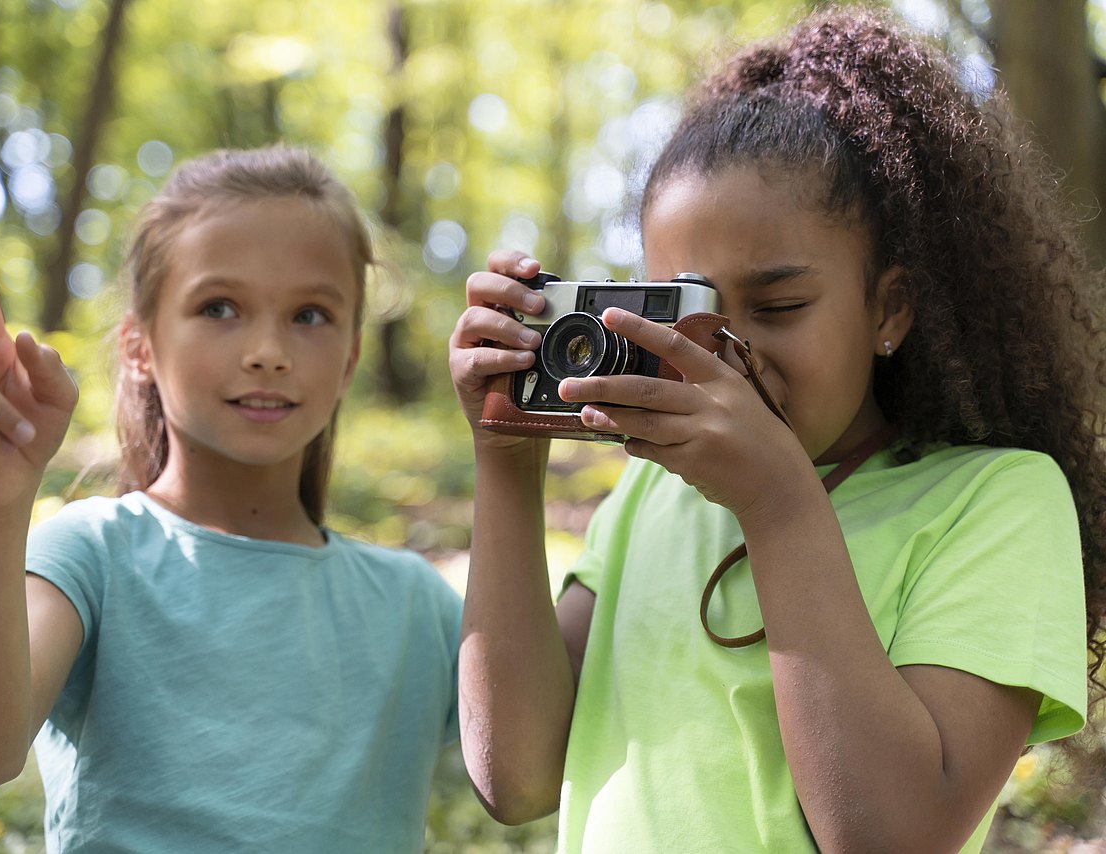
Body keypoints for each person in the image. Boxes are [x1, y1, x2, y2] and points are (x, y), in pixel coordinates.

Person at [449, 8, 1105, 853]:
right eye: (684, 310)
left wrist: (779, 504)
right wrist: (504, 454)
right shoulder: (652, 489)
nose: (728, 347)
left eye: (781, 306)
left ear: (889, 308)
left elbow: (892, 838)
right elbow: (517, 775)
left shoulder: (997, 501)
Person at [0, 146, 462, 852]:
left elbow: (529, 766)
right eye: (220, 307)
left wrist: (511, 453)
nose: (268, 350)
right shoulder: (89, 555)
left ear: (352, 355)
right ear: (139, 346)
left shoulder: (416, 603)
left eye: (310, 315)